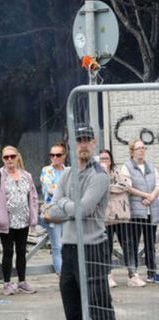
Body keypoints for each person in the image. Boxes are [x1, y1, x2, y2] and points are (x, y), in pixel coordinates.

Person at [44, 124, 115, 320]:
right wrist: (72, 208)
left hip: (92, 248)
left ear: (94, 143)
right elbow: (51, 211)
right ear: (70, 144)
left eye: (87, 140)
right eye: (79, 140)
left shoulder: (99, 176)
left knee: (99, 307)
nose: (83, 145)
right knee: (71, 304)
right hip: (69, 248)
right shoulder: (67, 173)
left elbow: (83, 210)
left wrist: (64, 203)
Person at [0, 145, 39, 295]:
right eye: (6, 157)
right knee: (8, 252)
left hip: (23, 220)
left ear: (17, 157)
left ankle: (22, 282)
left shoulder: (26, 175)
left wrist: (33, 213)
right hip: (7, 221)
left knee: (22, 251)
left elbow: (33, 196)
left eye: (12, 156)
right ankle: (7, 283)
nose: (9, 159)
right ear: (2, 159)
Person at [119, 139, 159, 284]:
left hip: (151, 209)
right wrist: (145, 195)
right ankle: (133, 273)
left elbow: (158, 184)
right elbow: (127, 187)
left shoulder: (151, 166)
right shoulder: (127, 167)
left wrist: (152, 197)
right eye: (138, 148)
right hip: (136, 210)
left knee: (150, 242)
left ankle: (151, 272)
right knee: (134, 242)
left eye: (143, 148)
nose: (141, 150)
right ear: (132, 151)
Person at [98, 149, 137, 288]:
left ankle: (133, 274)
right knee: (106, 248)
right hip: (105, 218)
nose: (104, 161)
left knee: (127, 245)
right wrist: (110, 187)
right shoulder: (96, 175)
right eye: (101, 159)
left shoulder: (117, 172)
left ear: (111, 160)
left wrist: (109, 189)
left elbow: (126, 185)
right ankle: (108, 275)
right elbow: (100, 189)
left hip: (121, 216)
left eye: (106, 158)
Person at [39, 142, 66, 275]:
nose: (55, 157)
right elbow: (50, 190)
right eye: (52, 155)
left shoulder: (68, 171)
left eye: (58, 155)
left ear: (64, 156)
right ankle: (62, 275)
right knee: (57, 246)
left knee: (68, 245)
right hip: (53, 213)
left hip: (67, 213)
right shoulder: (46, 170)